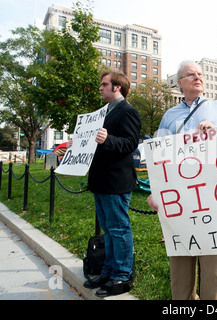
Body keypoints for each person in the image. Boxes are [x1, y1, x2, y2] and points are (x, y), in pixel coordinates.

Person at [147, 60, 217, 300]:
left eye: (200, 74)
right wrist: (155, 190)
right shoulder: (169, 116)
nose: (198, 77)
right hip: (180, 195)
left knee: (214, 257)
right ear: (180, 83)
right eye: (191, 74)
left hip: (212, 193)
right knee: (181, 257)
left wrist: (215, 134)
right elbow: (159, 157)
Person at [74, 70, 141, 297]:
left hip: (116, 181)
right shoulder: (103, 113)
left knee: (118, 228)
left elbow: (131, 143)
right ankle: (109, 270)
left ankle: (122, 276)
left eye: (104, 84)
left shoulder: (128, 111)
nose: (100, 88)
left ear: (117, 87)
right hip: (101, 180)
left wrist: (108, 139)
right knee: (108, 229)